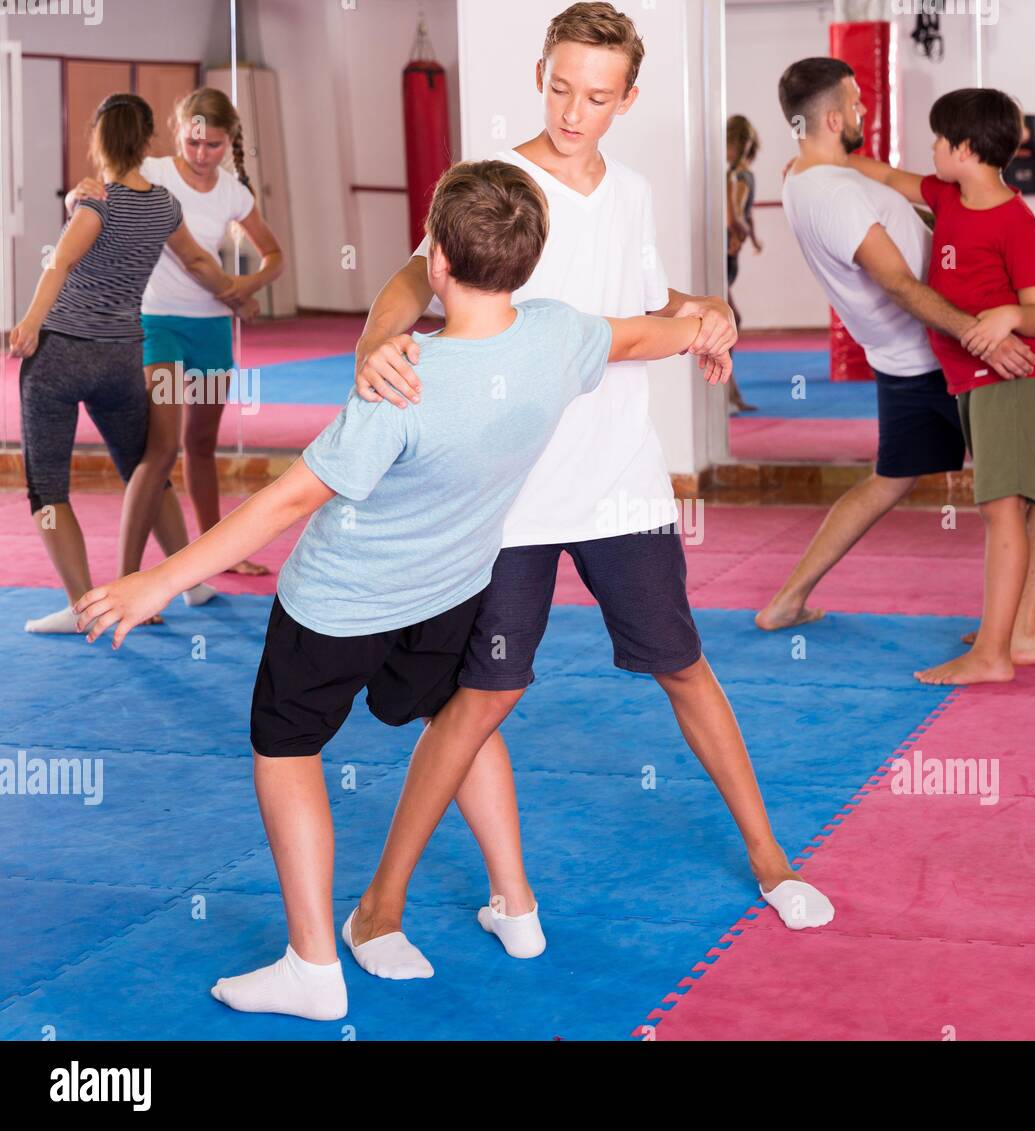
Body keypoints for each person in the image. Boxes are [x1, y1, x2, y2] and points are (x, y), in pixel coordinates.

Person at [73, 159, 730, 1021]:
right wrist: (709, 320)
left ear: (438, 263)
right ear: (527, 264)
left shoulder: (403, 381)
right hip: (449, 595)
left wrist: (157, 580)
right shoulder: (560, 335)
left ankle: (313, 965)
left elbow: (289, 499)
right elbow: (653, 334)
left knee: (286, 748)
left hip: (336, 605)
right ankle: (518, 907)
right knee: (451, 716)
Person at [348, 2, 834, 969]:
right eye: (561, 87)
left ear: (629, 98)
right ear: (541, 72)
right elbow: (413, 278)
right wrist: (374, 340)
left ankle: (773, 860)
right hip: (507, 487)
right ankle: (380, 907)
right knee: (484, 695)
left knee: (684, 666)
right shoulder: (494, 181)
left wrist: (710, 318)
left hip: (617, 478)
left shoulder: (634, 192)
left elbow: (647, 305)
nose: (575, 111)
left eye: (598, 96)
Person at [757, 59, 1035, 672]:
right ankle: (1023, 630)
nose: (866, 112)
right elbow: (897, 284)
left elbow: (887, 176)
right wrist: (983, 335)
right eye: (857, 105)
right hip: (948, 359)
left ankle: (788, 600)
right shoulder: (833, 192)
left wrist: (813, 159)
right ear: (833, 118)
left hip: (913, 358)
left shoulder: (813, 179)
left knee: (894, 479)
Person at [846, 88, 1035, 686]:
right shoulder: (946, 196)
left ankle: (995, 653)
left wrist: (1006, 318)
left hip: (1007, 380)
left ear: (966, 148)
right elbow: (886, 174)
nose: (931, 149)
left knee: (1003, 513)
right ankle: (1006, 632)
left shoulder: (1016, 222)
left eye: (939, 140)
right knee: (1012, 504)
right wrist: (821, 160)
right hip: (971, 382)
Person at [8, 94, 237, 635]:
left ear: (98, 140)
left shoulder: (96, 201)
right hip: (120, 357)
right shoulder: (162, 206)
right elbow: (198, 259)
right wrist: (236, 292)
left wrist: (29, 324)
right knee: (144, 466)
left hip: (60, 353)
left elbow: (60, 264)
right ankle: (190, 579)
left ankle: (83, 607)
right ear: (147, 141)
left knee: (47, 489)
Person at [66, 87, 285, 577]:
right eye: (193, 143)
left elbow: (275, 254)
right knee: (162, 448)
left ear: (229, 142)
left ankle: (214, 555)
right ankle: (128, 579)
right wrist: (73, 194)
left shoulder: (233, 192)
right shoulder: (155, 173)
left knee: (202, 445)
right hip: (157, 323)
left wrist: (239, 289)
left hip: (209, 330)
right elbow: (94, 196)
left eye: (214, 146)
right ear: (178, 131)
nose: (202, 155)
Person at [725, 114, 760, 412]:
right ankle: (727, 391)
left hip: (729, 256)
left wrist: (752, 234)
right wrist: (746, 233)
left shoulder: (739, 176)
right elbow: (735, 217)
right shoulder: (735, 177)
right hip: (724, 256)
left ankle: (730, 391)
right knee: (731, 320)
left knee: (731, 320)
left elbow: (743, 214)